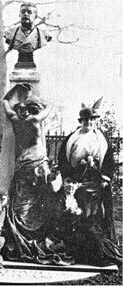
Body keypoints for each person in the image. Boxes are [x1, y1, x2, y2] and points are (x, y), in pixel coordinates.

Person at [1, 83, 69, 265]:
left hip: (23, 166)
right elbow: (50, 107)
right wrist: (33, 96)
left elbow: (5, 100)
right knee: (39, 204)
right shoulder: (35, 120)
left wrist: (15, 90)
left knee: (22, 202)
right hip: (37, 166)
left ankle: (22, 238)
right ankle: (36, 239)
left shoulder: (15, 119)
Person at [58, 97, 117, 243]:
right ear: (81, 121)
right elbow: (63, 159)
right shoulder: (72, 139)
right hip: (77, 182)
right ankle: (75, 246)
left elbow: (109, 160)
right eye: (85, 120)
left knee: (95, 214)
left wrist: (105, 178)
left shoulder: (101, 140)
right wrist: (67, 177)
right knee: (76, 212)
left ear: (95, 121)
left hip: (95, 182)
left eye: (91, 120)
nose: (88, 123)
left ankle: (94, 246)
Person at [48, 178, 122, 267]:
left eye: (73, 182)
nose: (70, 185)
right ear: (63, 184)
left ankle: (108, 257)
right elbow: (56, 219)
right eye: (68, 182)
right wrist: (68, 213)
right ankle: (98, 259)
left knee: (97, 235)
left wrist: (80, 213)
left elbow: (84, 216)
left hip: (76, 228)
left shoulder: (77, 198)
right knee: (89, 236)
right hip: (64, 232)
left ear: (77, 186)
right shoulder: (58, 199)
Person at [5, 2, 52, 67]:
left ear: (35, 16)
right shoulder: (10, 33)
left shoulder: (43, 35)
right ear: (19, 15)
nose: (25, 14)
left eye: (29, 12)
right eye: (23, 12)